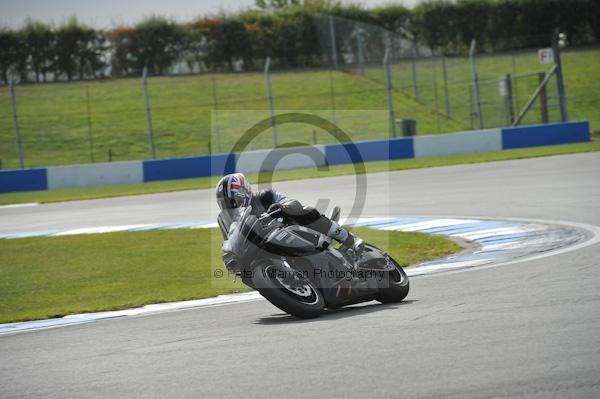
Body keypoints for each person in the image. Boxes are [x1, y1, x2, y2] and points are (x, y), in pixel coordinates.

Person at [215, 172, 363, 253]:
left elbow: (293, 203)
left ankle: (350, 239)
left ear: (244, 192)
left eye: (232, 201)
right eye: (225, 204)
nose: (230, 206)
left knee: (305, 212)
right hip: (269, 248)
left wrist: (281, 207)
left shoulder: (265, 196)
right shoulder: (234, 222)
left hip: (294, 232)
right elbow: (230, 242)